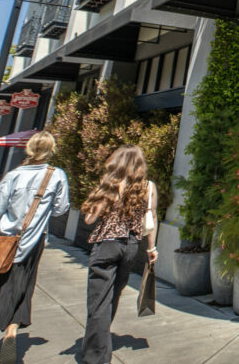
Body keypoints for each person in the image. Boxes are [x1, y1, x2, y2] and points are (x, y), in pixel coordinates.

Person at [0, 130, 70, 364]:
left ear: (29, 149)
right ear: (51, 150)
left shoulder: (13, 175)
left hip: (2, 240)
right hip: (32, 242)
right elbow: (61, 209)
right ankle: (12, 332)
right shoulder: (56, 175)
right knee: (21, 288)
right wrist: (42, 210)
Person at [79, 145, 157, 364]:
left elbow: (89, 219)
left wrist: (98, 202)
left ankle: (96, 356)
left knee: (98, 300)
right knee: (113, 295)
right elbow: (152, 218)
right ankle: (98, 345)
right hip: (131, 245)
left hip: (107, 244)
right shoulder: (148, 187)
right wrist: (151, 248)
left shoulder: (112, 183)